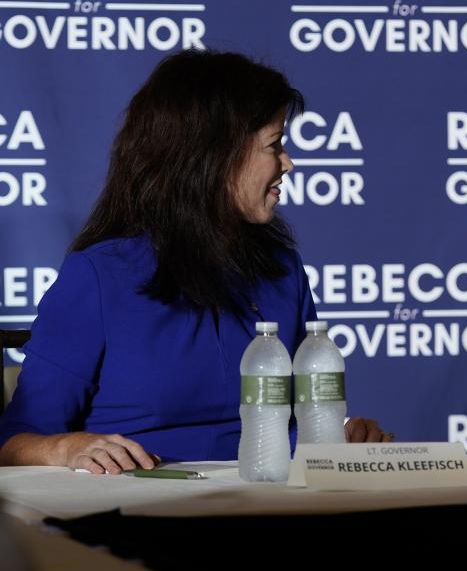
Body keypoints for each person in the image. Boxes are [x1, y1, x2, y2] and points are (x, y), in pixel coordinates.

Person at [0, 50, 391, 474]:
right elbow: (14, 442)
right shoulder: (97, 277)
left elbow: (298, 423)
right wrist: (65, 449)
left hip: (274, 506)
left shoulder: (283, 271)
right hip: (140, 516)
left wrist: (341, 434)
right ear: (214, 155)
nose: (288, 164)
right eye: (274, 145)